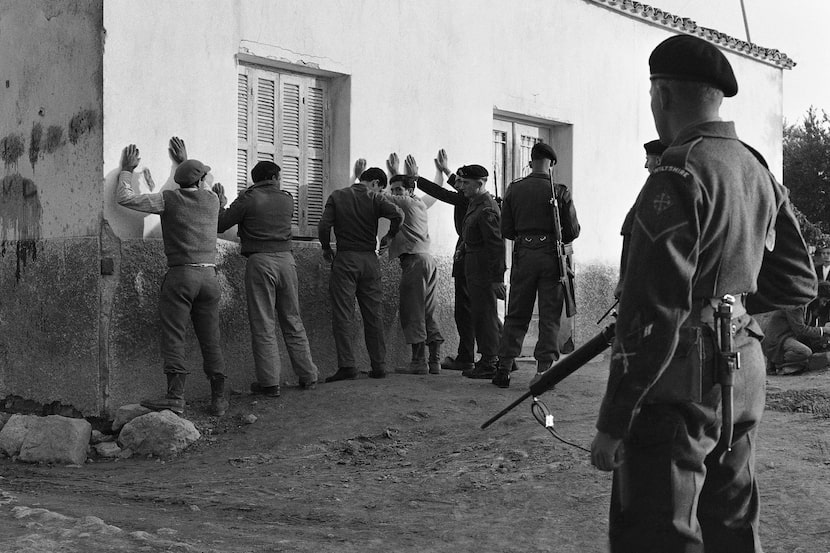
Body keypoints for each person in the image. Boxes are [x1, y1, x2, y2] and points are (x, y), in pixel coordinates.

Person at [590, 35, 817, 552]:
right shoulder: (755, 167)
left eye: (653, 96)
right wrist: (730, 307)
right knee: (732, 523)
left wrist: (614, 420)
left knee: (658, 532)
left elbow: (651, 314)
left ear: (663, 96)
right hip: (744, 366)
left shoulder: (677, 172)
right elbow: (799, 280)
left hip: (680, 381)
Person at [116, 139, 229, 417]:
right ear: (201, 180)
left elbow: (125, 198)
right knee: (210, 339)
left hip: (181, 276)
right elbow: (199, 182)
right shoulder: (214, 200)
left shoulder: (167, 200)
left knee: (174, 336)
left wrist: (127, 171)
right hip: (209, 277)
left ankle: (176, 397)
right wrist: (185, 161)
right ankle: (219, 399)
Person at [214, 161, 319, 397]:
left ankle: (270, 383)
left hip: (260, 261)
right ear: (274, 176)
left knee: (263, 323)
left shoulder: (249, 198)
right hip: (286, 261)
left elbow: (221, 224)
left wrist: (220, 202)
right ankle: (308, 375)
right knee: (293, 319)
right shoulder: (287, 199)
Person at [492, 142, 580, 388]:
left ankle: (504, 369)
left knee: (517, 313)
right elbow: (572, 232)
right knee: (550, 316)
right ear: (551, 164)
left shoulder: (514, 189)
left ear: (531, 162)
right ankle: (542, 373)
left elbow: (507, 230)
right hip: (551, 258)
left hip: (523, 256)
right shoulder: (560, 191)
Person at [318, 165, 403, 382]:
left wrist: (327, 248)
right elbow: (398, 215)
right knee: (373, 314)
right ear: (375, 183)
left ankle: (347, 366)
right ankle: (379, 365)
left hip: (345, 258)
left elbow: (324, 224)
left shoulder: (337, 196)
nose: (380, 193)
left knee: (343, 315)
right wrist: (389, 237)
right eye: (381, 189)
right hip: (369, 260)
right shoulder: (374, 199)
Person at [413, 150, 476, 372]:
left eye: (461, 181)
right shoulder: (473, 197)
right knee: (480, 309)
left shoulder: (466, 198)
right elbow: (454, 188)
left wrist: (415, 178)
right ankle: (500, 355)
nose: (457, 184)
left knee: (466, 311)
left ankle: (468, 357)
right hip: (471, 257)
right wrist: (447, 170)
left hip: (467, 256)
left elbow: (443, 193)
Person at [383, 161, 444, 375]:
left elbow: (377, 197)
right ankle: (434, 361)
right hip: (425, 260)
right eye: (393, 190)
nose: (395, 193)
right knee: (427, 312)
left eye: (399, 190)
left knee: (413, 312)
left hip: (414, 263)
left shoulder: (407, 203)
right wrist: (395, 174)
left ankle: (419, 362)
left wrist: (362, 182)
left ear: (410, 191)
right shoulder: (417, 203)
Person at [453, 164, 506, 379]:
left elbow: (495, 245)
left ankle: (490, 362)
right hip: (474, 266)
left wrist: (497, 279)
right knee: (480, 314)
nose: (462, 186)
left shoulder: (486, 208)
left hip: (484, 270)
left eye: (466, 183)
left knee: (485, 316)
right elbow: (472, 234)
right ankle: (494, 359)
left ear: (480, 183)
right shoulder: (476, 204)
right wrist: (463, 248)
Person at [760, 281, 830, 375]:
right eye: (824, 301)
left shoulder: (807, 306)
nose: (824, 305)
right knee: (805, 352)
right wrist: (824, 330)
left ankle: (784, 365)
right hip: (778, 339)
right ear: (817, 296)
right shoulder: (796, 304)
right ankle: (779, 364)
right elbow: (800, 329)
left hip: (788, 337)